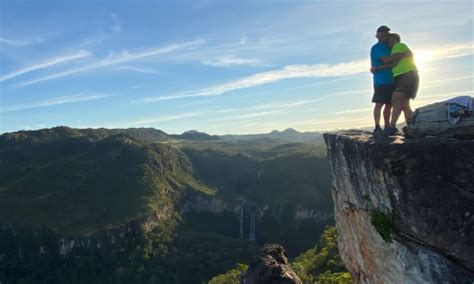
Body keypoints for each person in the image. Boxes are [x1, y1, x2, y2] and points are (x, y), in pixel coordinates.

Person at [376, 33, 419, 136]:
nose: (391, 42)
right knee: (404, 104)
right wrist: (378, 68)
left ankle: (392, 127)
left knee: (396, 98)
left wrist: (381, 65)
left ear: (397, 40)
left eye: (393, 40)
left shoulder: (399, 46)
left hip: (406, 74)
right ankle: (412, 127)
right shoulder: (396, 49)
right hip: (404, 76)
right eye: (389, 41)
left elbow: (391, 59)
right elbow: (393, 63)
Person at [369, 25, 393, 135]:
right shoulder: (376, 48)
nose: (384, 35)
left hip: (392, 78)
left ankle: (387, 126)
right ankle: (377, 126)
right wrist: (398, 59)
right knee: (379, 103)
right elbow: (385, 60)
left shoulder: (391, 47)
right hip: (381, 79)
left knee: (390, 104)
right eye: (382, 33)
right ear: (377, 36)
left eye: (386, 33)